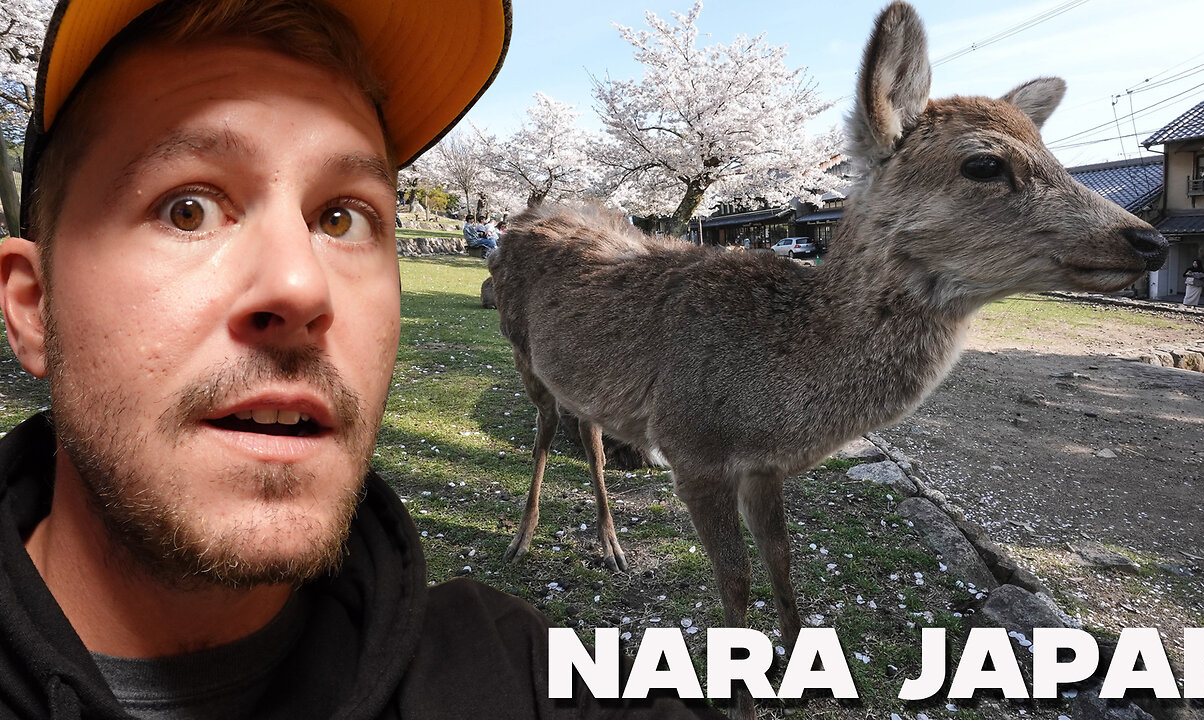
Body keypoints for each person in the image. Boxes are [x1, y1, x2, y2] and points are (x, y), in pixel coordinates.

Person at [0, 1, 721, 717]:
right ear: (32, 308)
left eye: (341, 217)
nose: (300, 284)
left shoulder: (521, 676)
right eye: (186, 209)